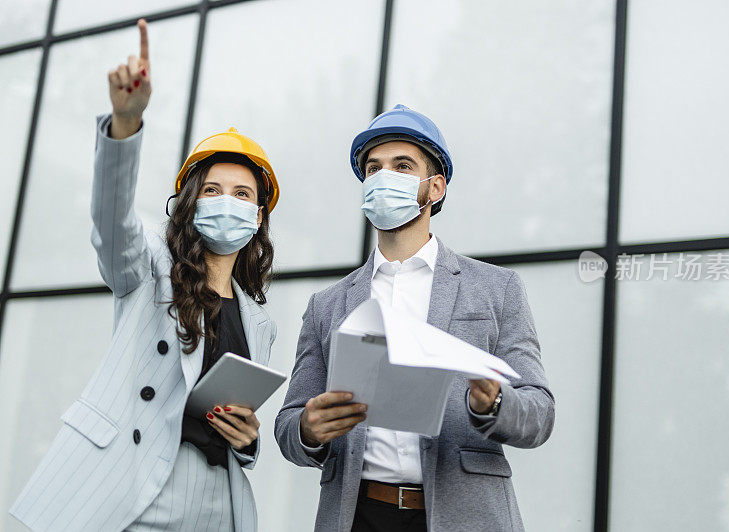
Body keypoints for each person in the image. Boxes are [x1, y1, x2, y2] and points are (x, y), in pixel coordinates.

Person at [10, 19, 279, 532]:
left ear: (259, 216)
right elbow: (112, 221)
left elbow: (242, 424)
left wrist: (249, 440)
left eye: (243, 195)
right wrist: (124, 126)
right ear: (189, 202)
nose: (228, 202)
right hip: (134, 484)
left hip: (220, 498)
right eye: (213, 189)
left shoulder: (259, 317)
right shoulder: (151, 265)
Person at [274, 104, 555, 531]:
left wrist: (494, 402)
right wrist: (309, 430)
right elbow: (289, 426)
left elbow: (539, 416)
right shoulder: (326, 305)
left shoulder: (497, 289)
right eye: (373, 168)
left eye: (402, 166)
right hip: (357, 516)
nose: (383, 177)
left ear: (435, 188)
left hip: (466, 517)